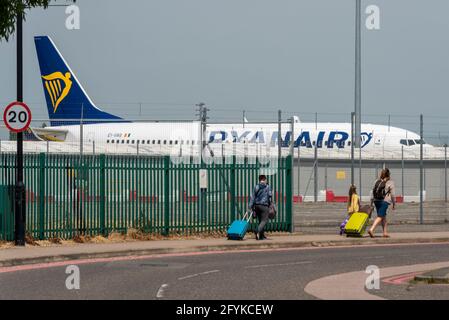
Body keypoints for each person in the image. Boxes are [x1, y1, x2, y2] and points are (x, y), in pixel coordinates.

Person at [368, 168, 396, 238]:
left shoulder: (376, 181)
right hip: (384, 201)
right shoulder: (390, 182)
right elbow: (393, 194)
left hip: (376, 200)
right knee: (380, 216)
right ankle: (371, 229)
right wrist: (394, 203)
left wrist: (371, 202)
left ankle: (385, 233)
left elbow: (372, 192)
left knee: (384, 217)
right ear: (389, 174)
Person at [248, 174, 272, 240]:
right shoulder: (267, 187)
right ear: (264, 179)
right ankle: (257, 231)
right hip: (264, 205)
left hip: (257, 206)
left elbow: (252, 197)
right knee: (264, 220)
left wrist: (250, 206)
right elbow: (270, 196)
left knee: (260, 221)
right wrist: (270, 204)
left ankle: (261, 236)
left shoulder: (256, 187)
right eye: (265, 179)